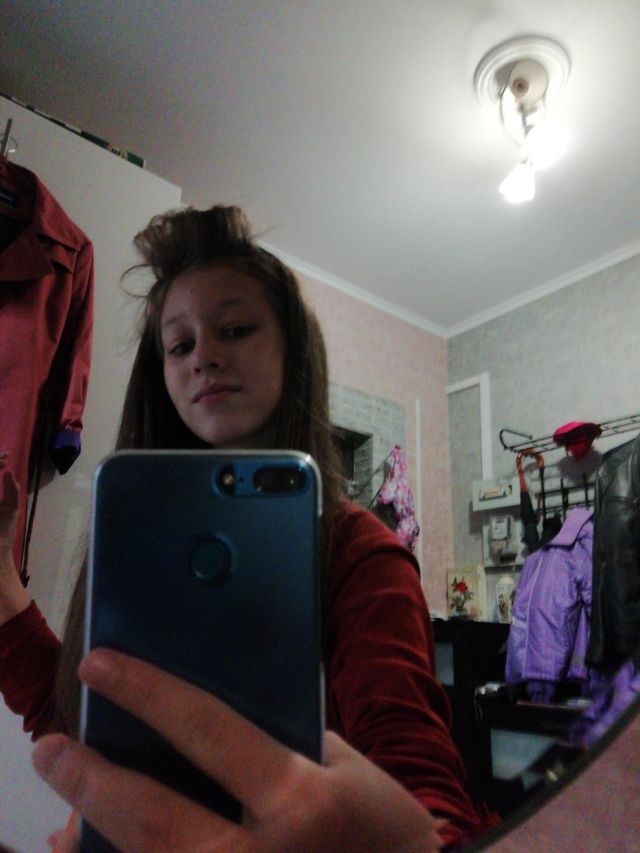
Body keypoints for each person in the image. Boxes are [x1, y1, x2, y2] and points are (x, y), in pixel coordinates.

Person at [0, 205, 496, 849]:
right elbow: (80, 718)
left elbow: (424, 794)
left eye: (234, 329)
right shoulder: (138, 534)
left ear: (294, 349)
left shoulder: (359, 553)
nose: (203, 356)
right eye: (179, 345)